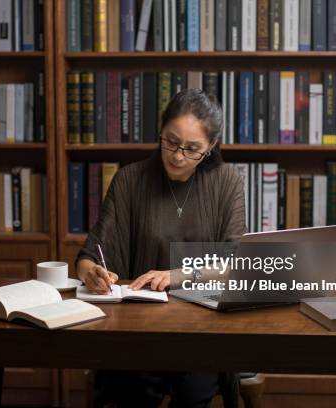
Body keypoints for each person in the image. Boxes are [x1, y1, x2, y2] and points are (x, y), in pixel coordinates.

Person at [75, 88, 246, 408]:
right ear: (161, 131)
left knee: (195, 391)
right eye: (171, 141)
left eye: (192, 148)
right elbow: (87, 258)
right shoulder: (130, 180)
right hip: (138, 326)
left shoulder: (227, 182)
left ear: (210, 148)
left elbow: (236, 261)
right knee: (133, 388)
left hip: (201, 327)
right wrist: (91, 275)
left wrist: (177, 275)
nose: (178, 155)